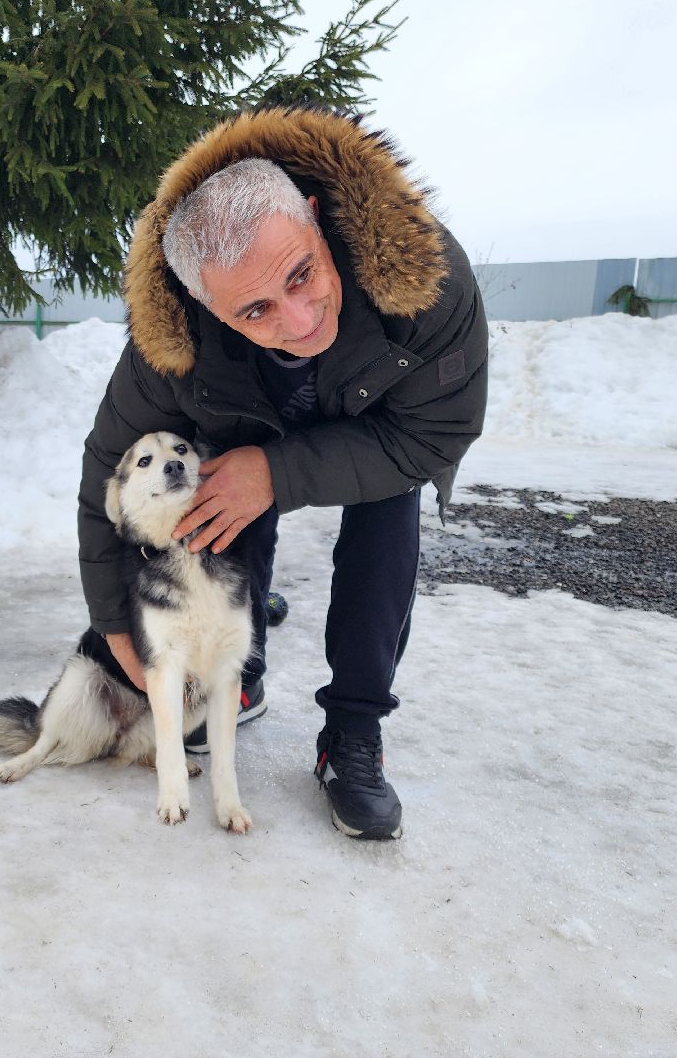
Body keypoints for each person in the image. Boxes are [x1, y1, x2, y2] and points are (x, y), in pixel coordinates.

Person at [77, 105, 488, 840]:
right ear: (207, 308)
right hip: (249, 415)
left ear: (314, 213)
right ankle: (239, 675)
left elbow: (436, 434)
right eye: (257, 308)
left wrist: (278, 472)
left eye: (302, 274)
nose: (299, 320)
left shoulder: (424, 279)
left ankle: (354, 732)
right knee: (212, 491)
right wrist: (116, 628)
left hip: (379, 427)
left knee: (386, 509)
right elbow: (106, 475)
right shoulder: (169, 340)